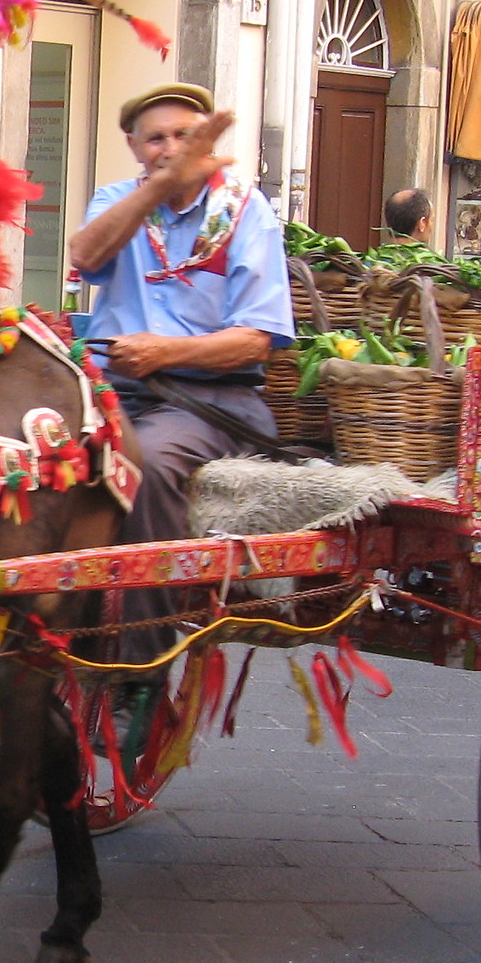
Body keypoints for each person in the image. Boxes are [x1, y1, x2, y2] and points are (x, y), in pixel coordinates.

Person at [70, 85, 295, 661]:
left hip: (208, 400)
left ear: (206, 143)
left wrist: (164, 353)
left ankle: (137, 664)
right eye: (156, 138)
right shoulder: (117, 200)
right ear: (135, 147)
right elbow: (85, 257)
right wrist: (161, 191)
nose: (170, 147)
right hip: (109, 391)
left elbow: (259, 339)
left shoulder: (245, 210)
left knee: (144, 463)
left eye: (183, 136)